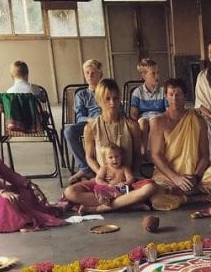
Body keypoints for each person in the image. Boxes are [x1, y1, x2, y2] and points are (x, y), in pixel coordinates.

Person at [149, 78, 211, 209]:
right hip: (169, 175)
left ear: (185, 96)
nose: (174, 98)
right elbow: (156, 155)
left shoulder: (198, 120)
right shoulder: (158, 121)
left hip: (195, 173)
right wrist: (176, 178)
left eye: (178, 94)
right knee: (156, 192)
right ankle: (195, 197)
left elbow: (205, 155)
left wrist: (196, 177)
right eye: (171, 94)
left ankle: (186, 193)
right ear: (166, 96)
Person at [63, 78, 154, 213]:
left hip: (126, 181)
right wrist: (101, 173)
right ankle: (127, 203)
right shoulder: (91, 127)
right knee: (70, 192)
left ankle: (100, 208)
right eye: (107, 99)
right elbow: (89, 157)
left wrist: (129, 176)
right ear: (99, 100)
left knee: (150, 187)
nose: (112, 103)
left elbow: (137, 154)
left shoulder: (131, 125)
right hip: (105, 181)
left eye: (115, 98)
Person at [64, 59, 103, 184]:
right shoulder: (81, 95)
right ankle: (85, 168)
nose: (89, 76)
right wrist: (90, 120)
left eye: (93, 73)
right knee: (69, 131)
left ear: (100, 75)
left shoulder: (105, 91)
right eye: (87, 73)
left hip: (106, 121)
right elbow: (79, 116)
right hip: (88, 123)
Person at [128, 58, 166, 158]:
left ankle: (155, 152)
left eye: (158, 72)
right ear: (144, 75)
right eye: (153, 73)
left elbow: (167, 110)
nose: (157, 76)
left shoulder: (163, 91)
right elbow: (134, 113)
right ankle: (143, 151)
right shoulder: (138, 92)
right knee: (142, 122)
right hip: (144, 118)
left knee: (154, 120)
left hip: (159, 118)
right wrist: (133, 124)